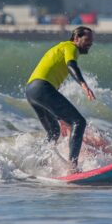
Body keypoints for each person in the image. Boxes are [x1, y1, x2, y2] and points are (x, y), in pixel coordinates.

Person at [26, 26, 95, 172]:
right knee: (79, 122)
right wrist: (83, 84)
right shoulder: (71, 47)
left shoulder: (60, 48)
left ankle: (38, 163)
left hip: (31, 91)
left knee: (54, 132)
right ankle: (73, 167)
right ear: (76, 38)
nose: (90, 43)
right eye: (87, 39)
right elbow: (71, 65)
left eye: (92, 40)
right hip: (42, 87)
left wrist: (59, 117)